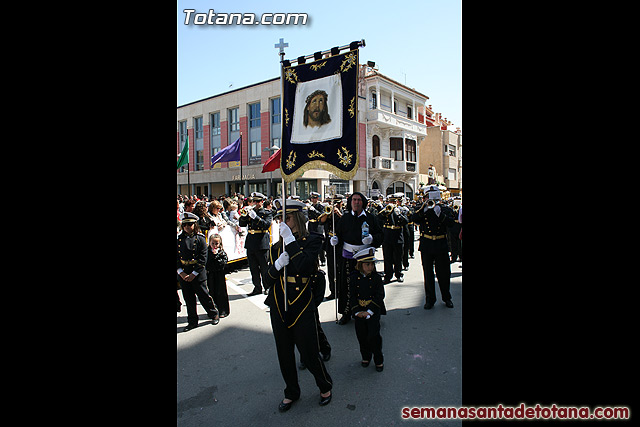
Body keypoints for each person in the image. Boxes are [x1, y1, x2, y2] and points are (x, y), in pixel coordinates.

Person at [263, 199, 332, 412]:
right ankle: (291, 391)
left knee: (309, 351)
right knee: (284, 352)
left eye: (288, 218)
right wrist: (276, 265)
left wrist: (290, 241)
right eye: (280, 219)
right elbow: (267, 281)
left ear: (298, 218)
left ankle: (324, 385)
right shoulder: (277, 247)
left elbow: (303, 266)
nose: (283, 222)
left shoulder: (313, 239)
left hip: (302, 301)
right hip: (278, 301)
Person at [330, 191, 383, 325]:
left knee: (369, 285)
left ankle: (371, 311)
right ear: (350, 202)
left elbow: (381, 235)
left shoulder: (371, 218)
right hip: (348, 257)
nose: (356, 202)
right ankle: (346, 313)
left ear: (363, 203)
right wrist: (335, 241)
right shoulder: (345, 218)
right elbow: (339, 235)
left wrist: (372, 238)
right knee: (347, 285)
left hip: (365, 258)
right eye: (354, 200)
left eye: (359, 200)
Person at [410, 185, 457, 310]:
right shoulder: (422, 209)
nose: (429, 200)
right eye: (427, 197)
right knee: (428, 274)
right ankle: (430, 299)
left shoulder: (444, 209)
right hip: (426, 244)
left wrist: (440, 214)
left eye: (432, 198)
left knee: (444, 273)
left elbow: (451, 223)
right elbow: (413, 218)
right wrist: (423, 209)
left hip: (441, 243)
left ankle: (446, 297)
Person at [177, 212, 220, 331]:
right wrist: (181, 272)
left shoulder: (200, 239)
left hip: (197, 273)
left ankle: (213, 313)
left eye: (190, 225)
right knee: (188, 298)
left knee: (203, 295)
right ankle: (192, 321)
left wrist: (193, 274)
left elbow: (202, 259)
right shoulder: (179, 239)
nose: (187, 227)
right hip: (184, 273)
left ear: (194, 225)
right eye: (185, 225)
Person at [349, 247, 386, 372]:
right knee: (362, 336)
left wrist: (370, 311)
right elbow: (352, 295)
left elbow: (379, 295)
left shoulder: (376, 278)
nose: (370, 267)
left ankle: (378, 358)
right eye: (367, 264)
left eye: (372, 264)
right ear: (360, 265)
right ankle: (365, 356)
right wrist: (357, 311)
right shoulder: (354, 278)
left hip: (372, 311)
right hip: (359, 311)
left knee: (374, 336)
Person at [239, 192, 273, 296]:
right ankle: (257, 287)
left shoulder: (267, 212)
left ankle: (267, 286)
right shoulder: (251, 211)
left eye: (258, 201)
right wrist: (245, 216)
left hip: (262, 242)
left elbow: (266, 225)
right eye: (254, 201)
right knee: (253, 267)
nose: (255, 203)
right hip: (251, 242)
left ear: (262, 202)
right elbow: (242, 224)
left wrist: (256, 218)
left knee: (264, 267)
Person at [379, 193, 408, 283]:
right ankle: (388, 275)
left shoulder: (401, 210)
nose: (392, 203)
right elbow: (378, 218)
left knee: (398, 257)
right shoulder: (385, 210)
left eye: (394, 201)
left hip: (397, 235)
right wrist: (385, 211)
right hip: (387, 236)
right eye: (390, 201)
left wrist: (399, 214)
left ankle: (398, 274)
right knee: (387, 257)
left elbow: (406, 221)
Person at [206, 234, 230, 318]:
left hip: (219, 275)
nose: (214, 246)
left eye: (216, 243)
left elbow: (224, 263)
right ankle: (214, 310)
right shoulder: (207, 252)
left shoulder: (221, 252)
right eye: (213, 243)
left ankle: (223, 310)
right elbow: (206, 263)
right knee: (211, 292)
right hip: (210, 275)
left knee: (221, 293)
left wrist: (216, 256)